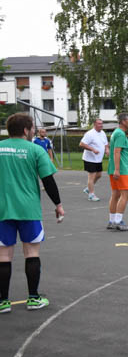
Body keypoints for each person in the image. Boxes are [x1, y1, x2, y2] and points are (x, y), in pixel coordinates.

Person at [0, 113, 65, 313]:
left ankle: (3, 301)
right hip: (28, 209)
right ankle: (33, 298)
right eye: (33, 129)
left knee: (3, 256)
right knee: (32, 253)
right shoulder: (36, 150)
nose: (34, 132)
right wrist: (58, 204)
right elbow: (48, 180)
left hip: (2, 210)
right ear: (26, 130)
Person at [108, 113, 128, 231]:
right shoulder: (120, 134)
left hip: (114, 168)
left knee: (116, 194)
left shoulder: (116, 132)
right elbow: (117, 152)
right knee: (126, 194)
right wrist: (117, 170)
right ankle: (118, 221)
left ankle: (112, 221)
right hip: (121, 169)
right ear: (123, 122)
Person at [79, 118, 109, 201]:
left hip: (98, 159)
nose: (101, 125)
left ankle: (88, 188)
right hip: (90, 159)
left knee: (99, 175)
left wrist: (107, 149)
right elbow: (81, 144)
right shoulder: (89, 134)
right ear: (95, 124)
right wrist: (92, 149)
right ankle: (91, 195)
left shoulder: (103, 133)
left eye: (102, 123)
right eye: (99, 124)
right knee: (91, 177)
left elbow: (106, 143)